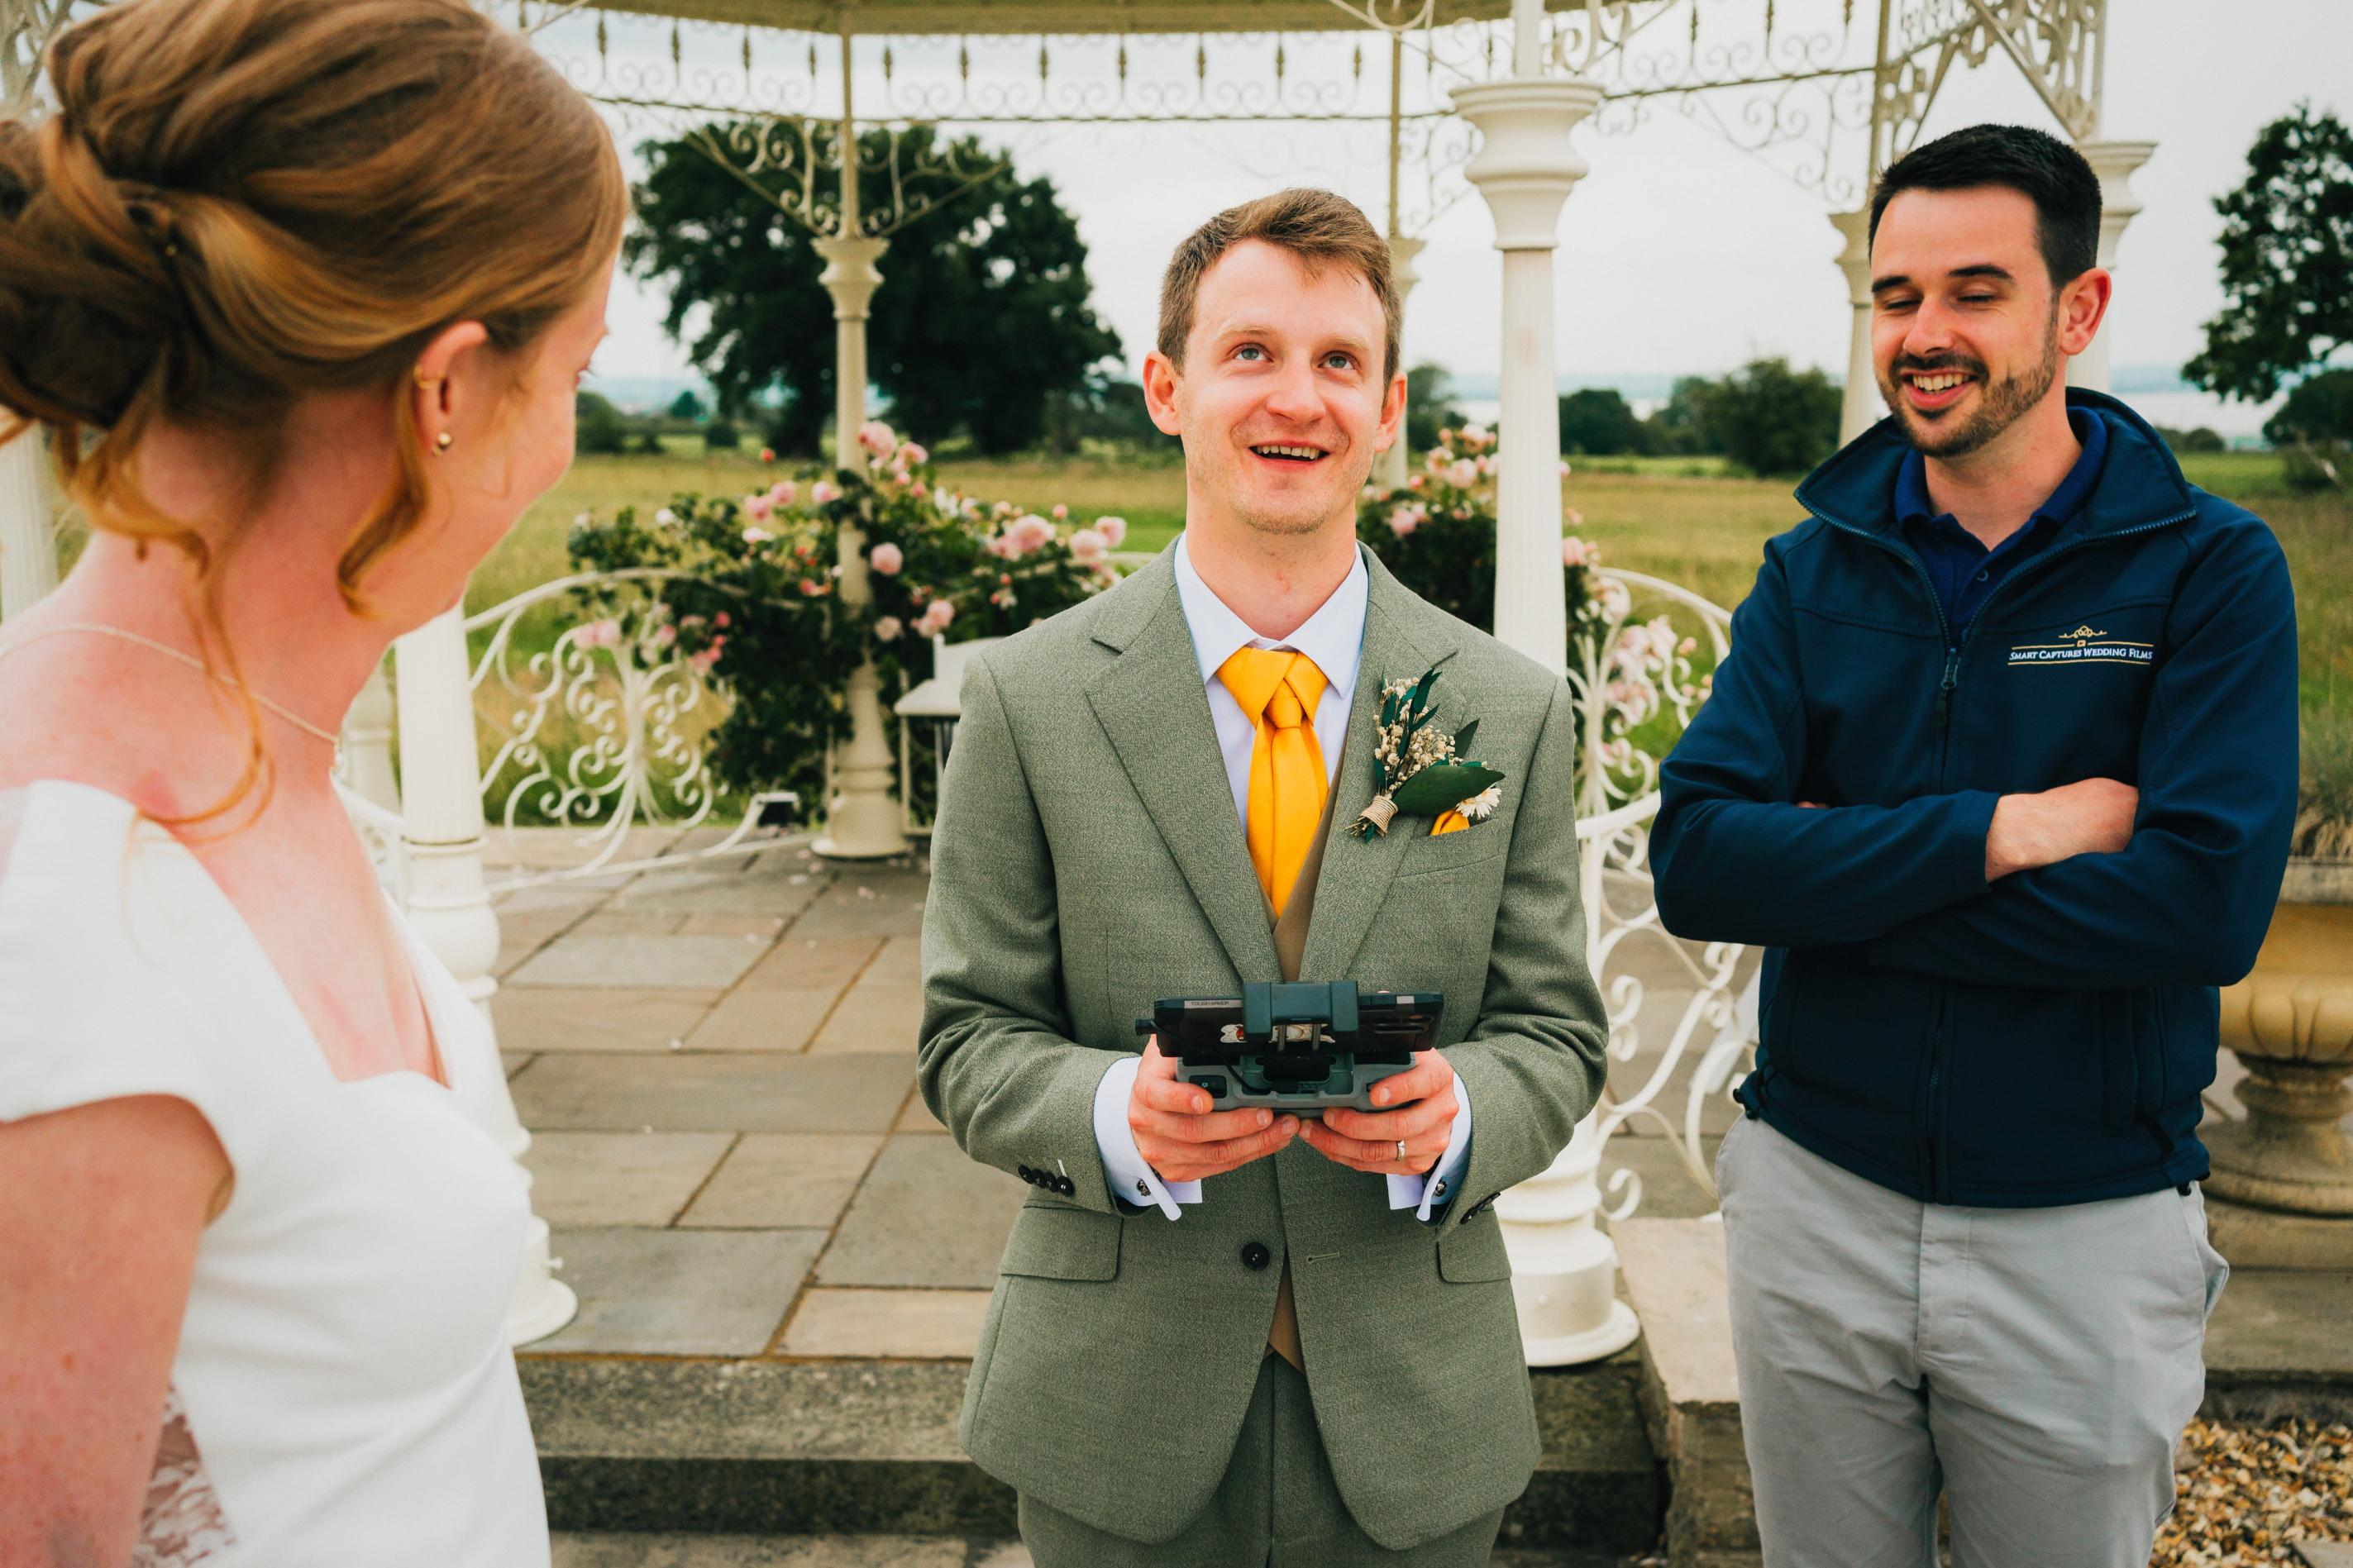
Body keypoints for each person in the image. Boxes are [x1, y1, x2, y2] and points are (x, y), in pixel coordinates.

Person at [0, 0, 625, 1560]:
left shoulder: (249, 762)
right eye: (578, 374)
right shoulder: (68, 908)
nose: (566, 436)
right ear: (449, 392)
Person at [918, 187, 1608, 1567]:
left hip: (1413, 1411)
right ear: (1167, 388)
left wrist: (1464, 1107)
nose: (1297, 397)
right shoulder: (1030, 699)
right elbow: (966, 1036)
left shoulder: (1499, 709)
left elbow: (1555, 1031)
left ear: (1388, 404)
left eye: (1337, 361)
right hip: (1115, 1405)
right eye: (1251, 352)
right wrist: (1111, 1110)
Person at [1651, 123, 2298, 1566]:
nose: (1923, 335)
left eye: (1972, 291)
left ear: (2076, 310)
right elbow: (1696, 861)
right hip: (1811, 1203)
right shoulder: (1811, 570)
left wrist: (1829, 878)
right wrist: (2003, 833)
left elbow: (2195, 910)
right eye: (1894, 297)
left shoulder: (2207, 569)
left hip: (2080, 1225)